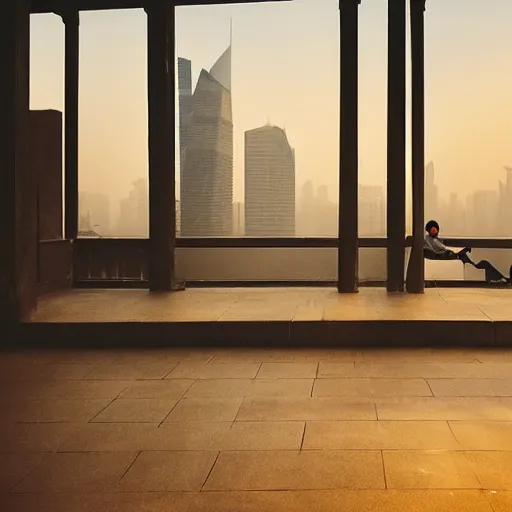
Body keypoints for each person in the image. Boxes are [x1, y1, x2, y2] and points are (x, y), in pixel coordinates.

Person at [423, 220, 511, 284]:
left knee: (484, 263)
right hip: (450, 256)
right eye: (433, 230)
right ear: (429, 231)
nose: (435, 231)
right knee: (481, 263)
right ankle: (501, 278)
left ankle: (501, 278)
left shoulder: (435, 239)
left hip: (453, 255)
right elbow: (441, 249)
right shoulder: (430, 240)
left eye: (436, 230)